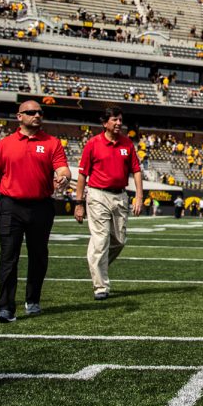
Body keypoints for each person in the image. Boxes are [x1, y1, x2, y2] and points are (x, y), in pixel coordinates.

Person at [0, 101, 70, 322]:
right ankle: (5, 308)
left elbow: (62, 167)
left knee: (39, 256)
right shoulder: (4, 144)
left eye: (40, 112)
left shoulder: (52, 143)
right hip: (10, 206)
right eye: (31, 112)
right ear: (19, 116)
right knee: (8, 257)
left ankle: (33, 301)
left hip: (41, 206)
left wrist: (64, 176)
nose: (37, 115)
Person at [73, 107, 143, 300]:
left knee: (119, 240)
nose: (119, 123)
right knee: (101, 239)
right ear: (105, 123)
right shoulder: (93, 144)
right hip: (97, 195)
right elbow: (82, 175)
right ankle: (100, 286)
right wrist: (79, 202)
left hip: (120, 196)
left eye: (120, 119)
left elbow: (136, 170)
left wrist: (139, 196)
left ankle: (97, 264)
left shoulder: (127, 143)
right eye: (115, 119)